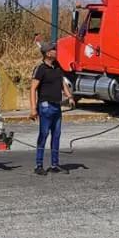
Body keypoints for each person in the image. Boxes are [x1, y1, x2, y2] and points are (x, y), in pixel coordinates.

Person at [28, 43, 73, 175]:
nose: (56, 51)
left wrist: (69, 96)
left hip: (56, 105)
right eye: (53, 50)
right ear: (47, 53)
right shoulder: (40, 69)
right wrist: (33, 108)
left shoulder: (57, 66)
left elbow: (62, 83)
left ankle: (54, 164)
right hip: (45, 105)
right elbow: (33, 88)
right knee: (44, 134)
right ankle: (39, 164)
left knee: (57, 134)